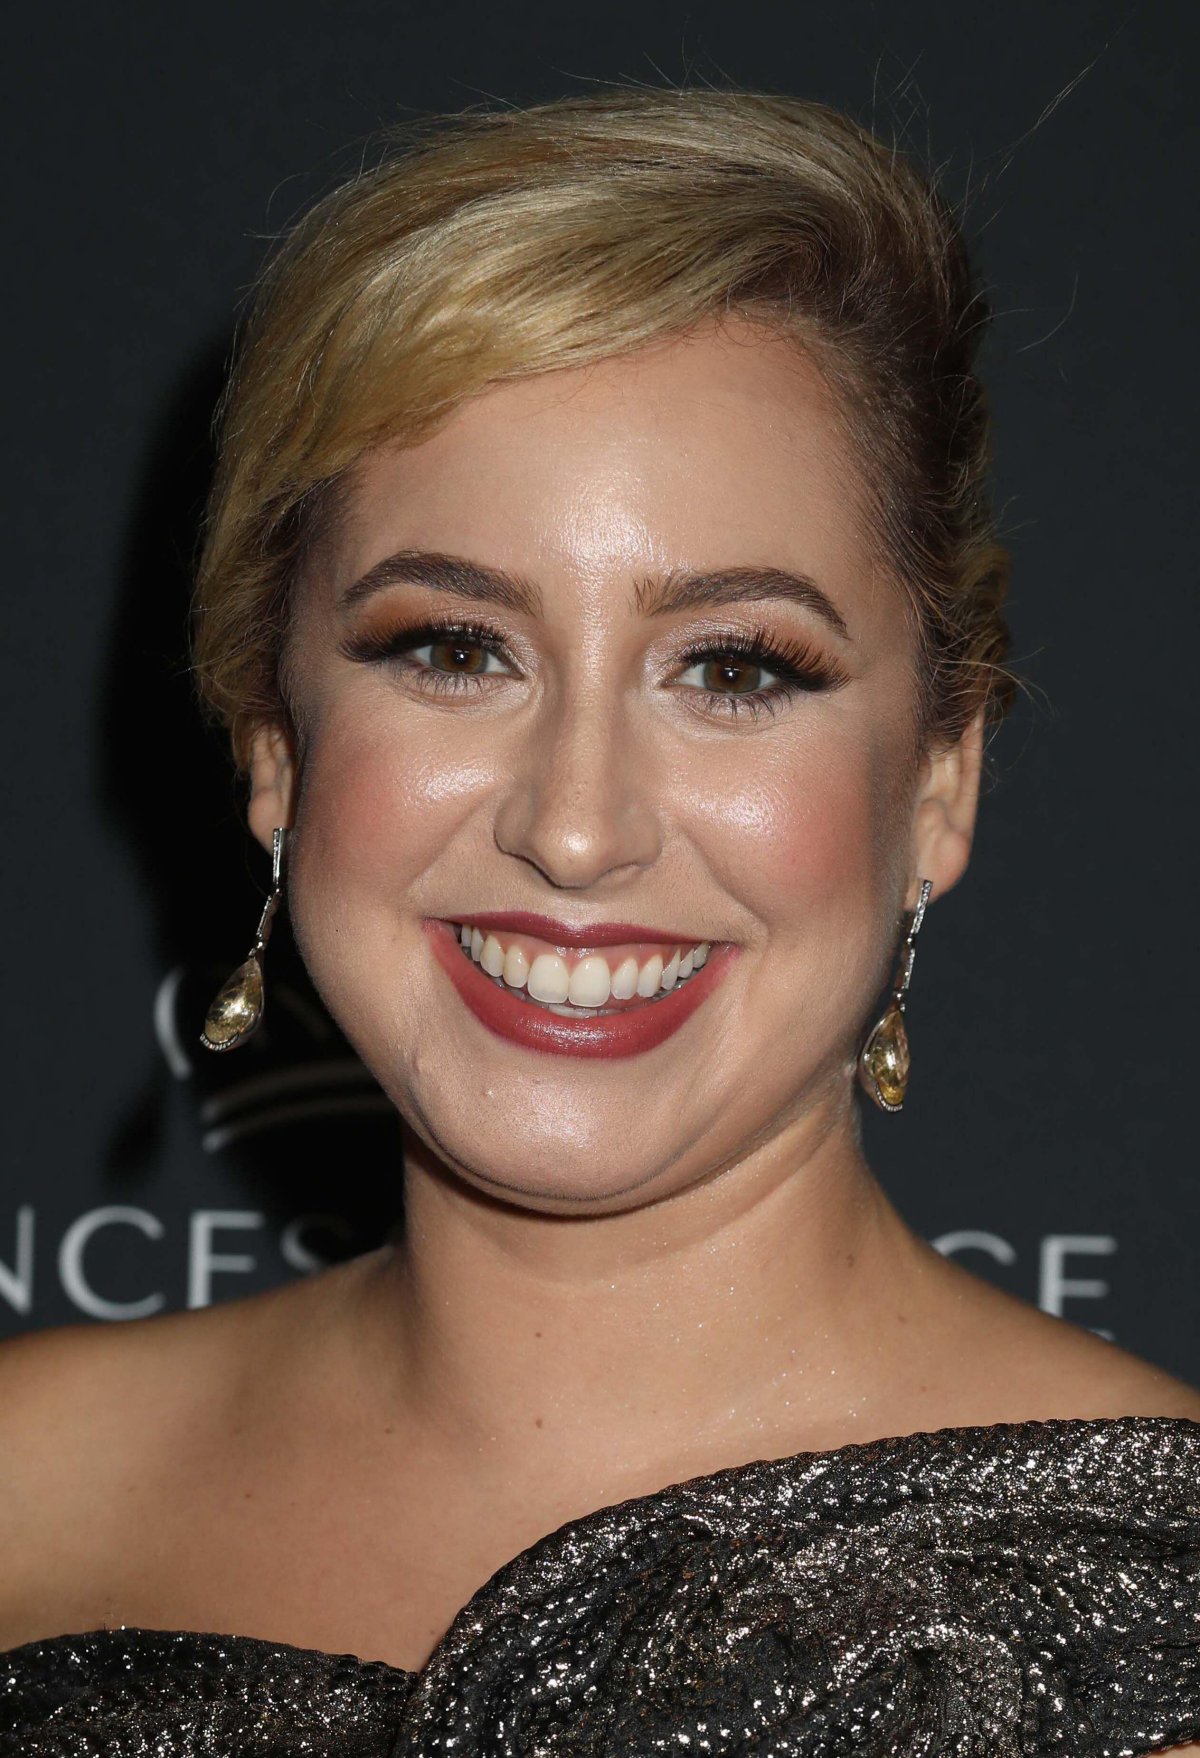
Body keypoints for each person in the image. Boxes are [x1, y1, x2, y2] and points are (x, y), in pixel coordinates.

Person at [1, 86, 1197, 1757]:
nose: (572, 825)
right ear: (271, 743)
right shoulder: (20, 1490)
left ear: (939, 781)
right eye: (451, 646)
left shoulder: (1166, 1609)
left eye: (735, 667)